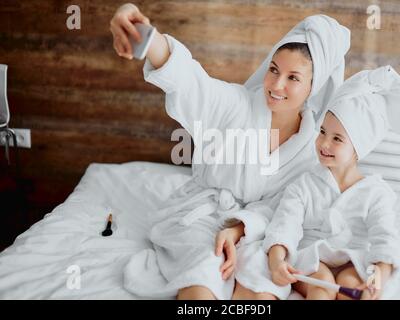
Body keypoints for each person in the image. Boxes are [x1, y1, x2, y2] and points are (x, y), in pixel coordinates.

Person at [110, 3, 350, 299]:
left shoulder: (311, 147)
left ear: (313, 86)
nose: (276, 84)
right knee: (203, 277)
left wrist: (239, 228)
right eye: (274, 69)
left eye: (293, 77)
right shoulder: (236, 105)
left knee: (262, 289)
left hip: (255, 232)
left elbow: (284, 207)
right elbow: (191, 83)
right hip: (200, 218)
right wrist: (145, 36)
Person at [235, 65, 400, 300]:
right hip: (313, 259)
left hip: (355, 259)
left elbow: (385, 237)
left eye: (337, 138)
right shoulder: (304, 184)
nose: (324, 144)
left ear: (359, 147)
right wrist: (277, 260)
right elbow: (286, 224)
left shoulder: (376, 193)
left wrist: (379, 276)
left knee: (352, 284)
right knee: (322, 284)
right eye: (323, 132)